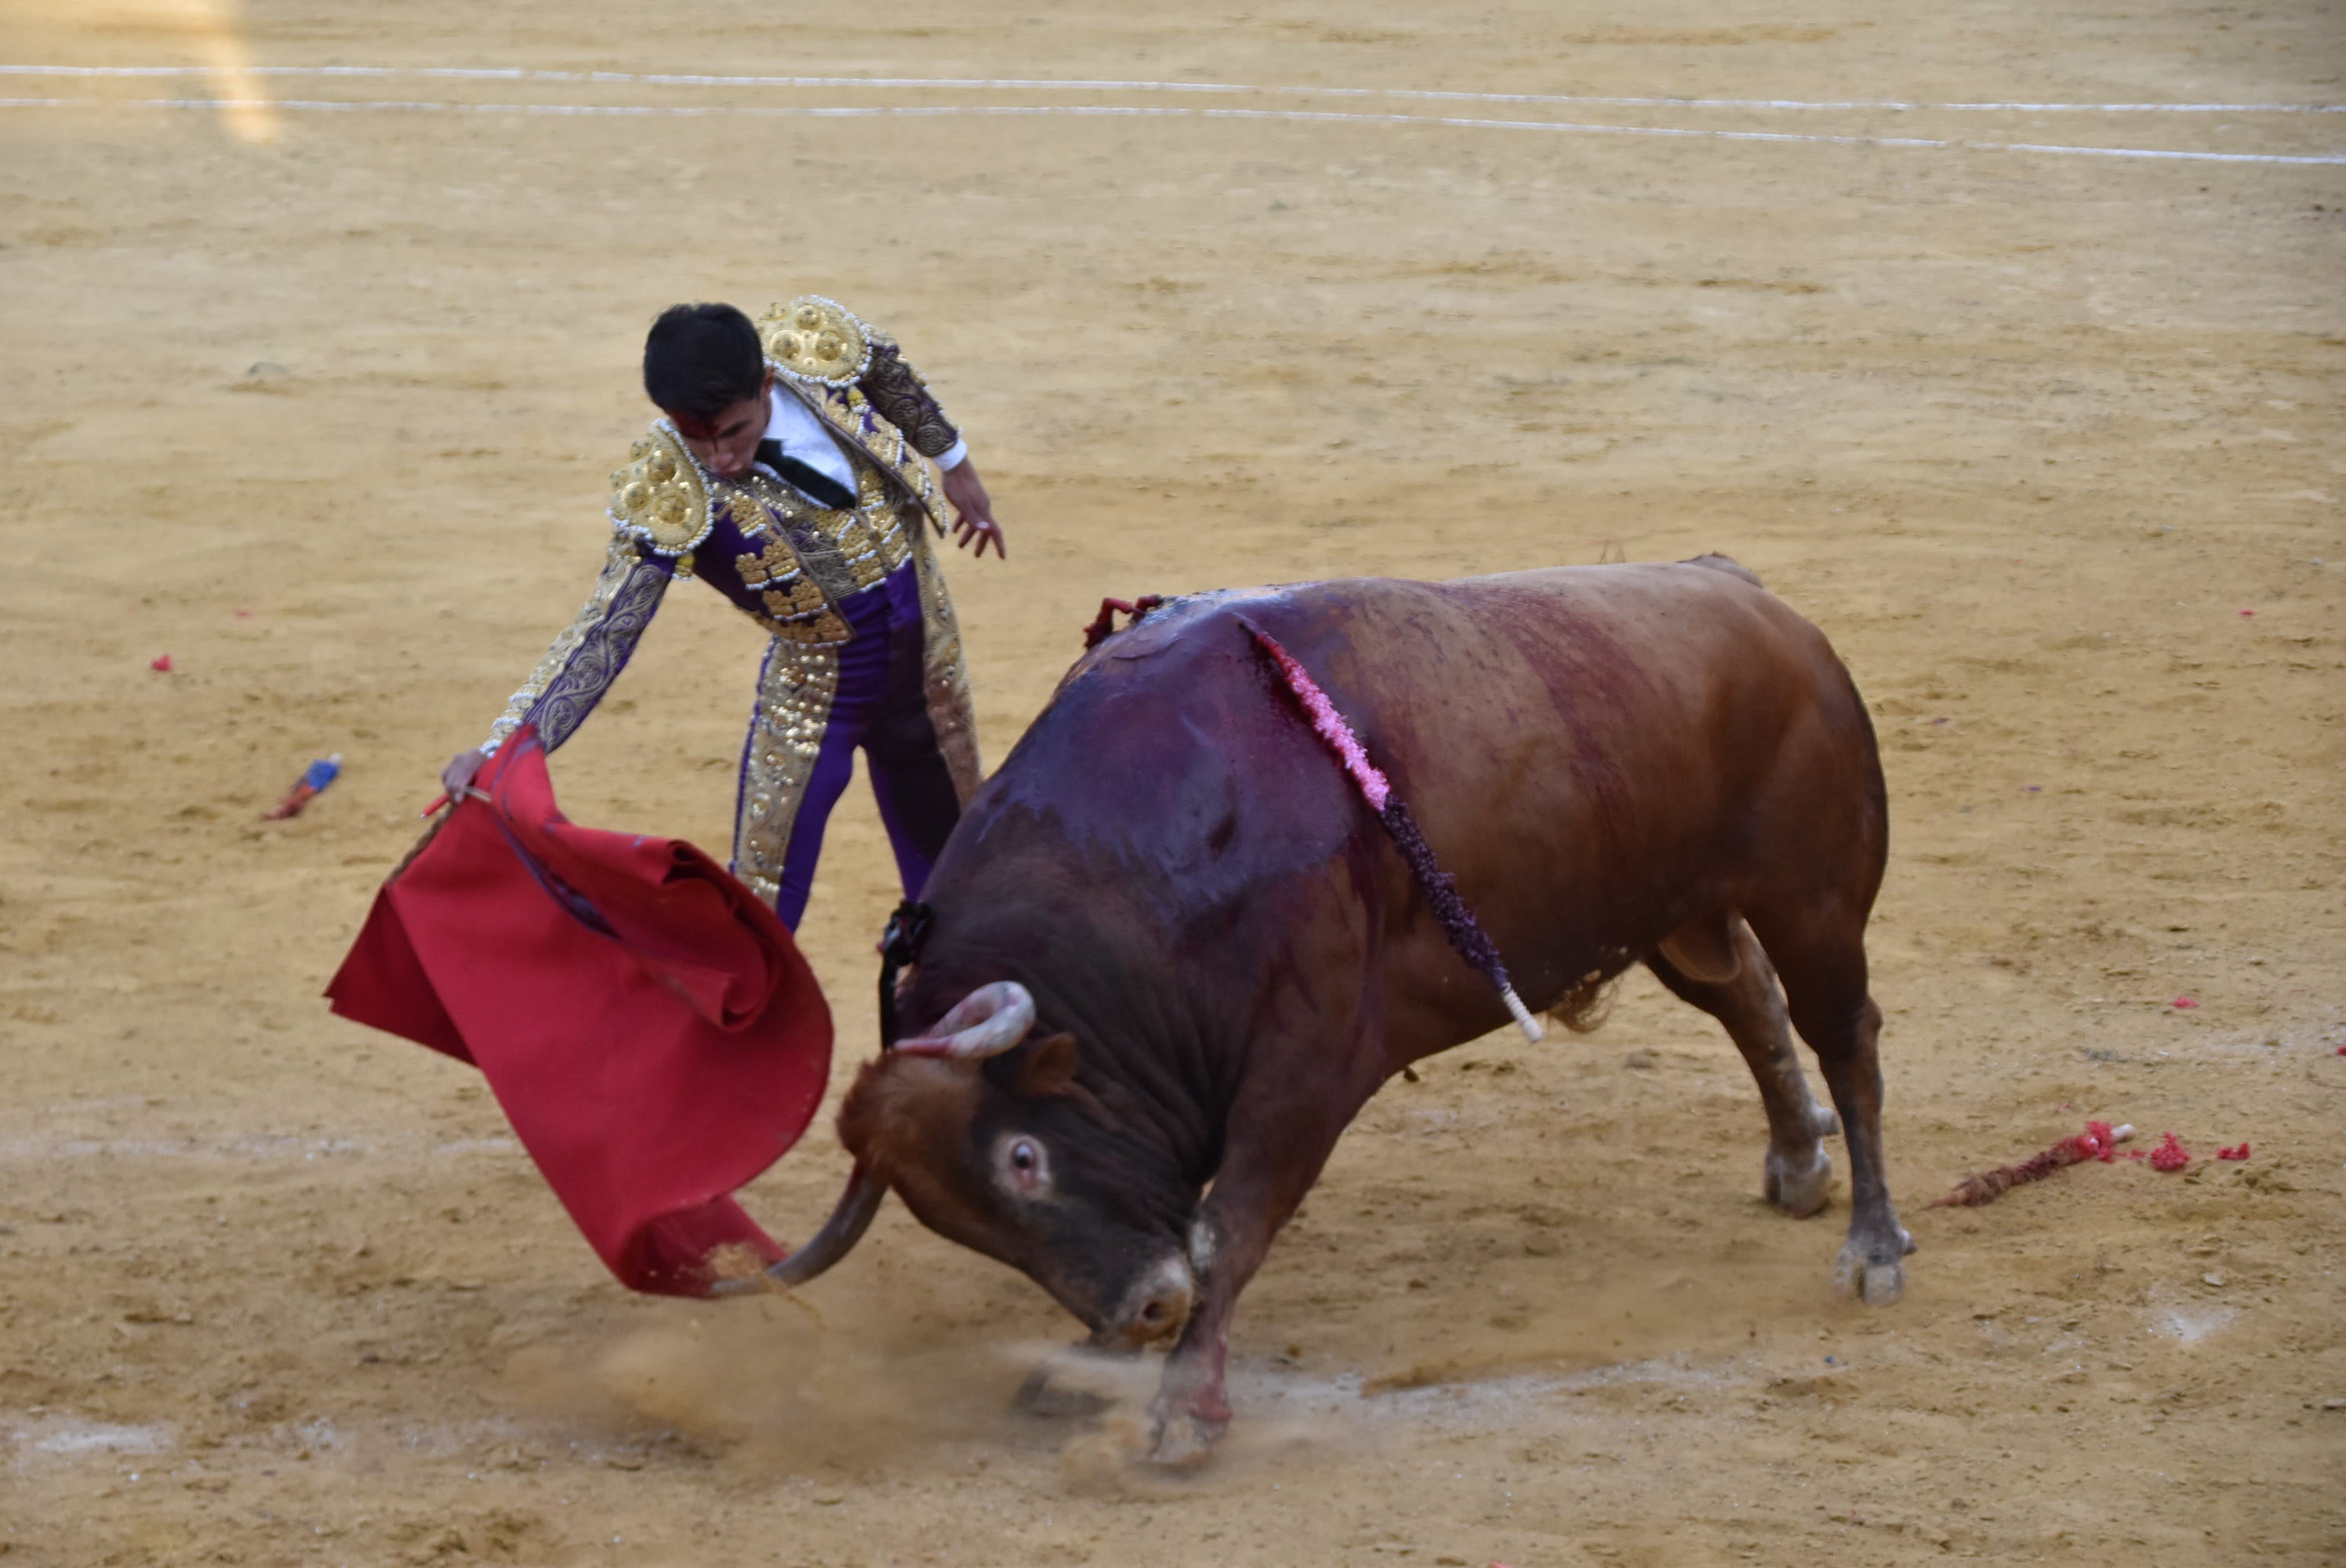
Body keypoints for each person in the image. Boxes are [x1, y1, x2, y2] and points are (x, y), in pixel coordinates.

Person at [439, 297, 1006, 929]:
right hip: (817, 703)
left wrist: (955, 464)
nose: (719, 460)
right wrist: (508, 745)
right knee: (761, 903)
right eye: (694, 436)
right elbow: (608, 627)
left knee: (960, 883)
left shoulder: (813, 354)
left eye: (733, 431)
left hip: (931, 668)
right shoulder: (670, 489)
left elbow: (889, 376)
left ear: (766, 383)